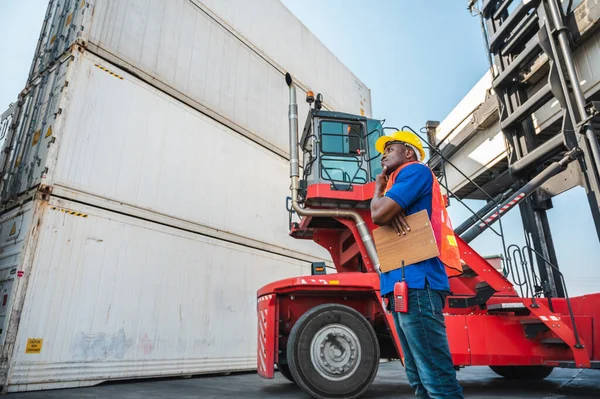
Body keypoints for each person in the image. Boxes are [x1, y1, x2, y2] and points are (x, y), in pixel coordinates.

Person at [370, 130, 464, 399]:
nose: (384, 152)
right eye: (383, 150)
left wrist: (379, 193)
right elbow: (383, 214)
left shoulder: (415, 171)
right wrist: (387, 204)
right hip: (401, 285)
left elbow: (377, 214)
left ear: (408, 152)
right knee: (418, 378)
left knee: (436, 378)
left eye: (391, 147)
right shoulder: (396, 185)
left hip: (416, 285)